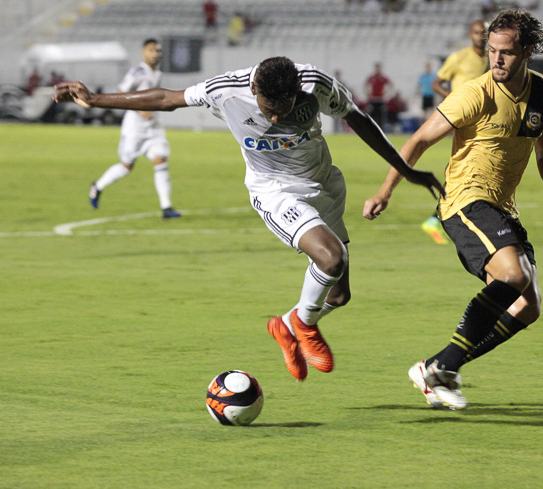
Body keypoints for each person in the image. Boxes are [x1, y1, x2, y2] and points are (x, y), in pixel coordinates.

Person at [54, 56, 444, 382]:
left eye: (282, 110)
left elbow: (358, 119)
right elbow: (167, 98)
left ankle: (288, 325)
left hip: (323, 183)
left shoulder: (316, 84)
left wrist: (403, 170)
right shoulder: (226, 89)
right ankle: (304, 325)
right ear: (254, 88)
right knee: (330, 258)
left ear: (296, 93)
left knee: (339, 295)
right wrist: (96, 98)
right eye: (267, 109)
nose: (273, 119)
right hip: (274, 189)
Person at [363, 9, 543, 409]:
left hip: (502, 206)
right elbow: (418, 140)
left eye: (506, 52)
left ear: (528, 51)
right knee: (514, 275)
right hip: (464, 199)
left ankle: (437, 366)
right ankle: (442, 368)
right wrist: (385, 191)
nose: (496, 59)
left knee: (528, 306)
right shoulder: (474, 94)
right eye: (491, 50)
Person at [85, 39, 180, 219]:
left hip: (154, 128)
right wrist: (140, 109)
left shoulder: (157, 73)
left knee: (161, 161)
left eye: (158, 51)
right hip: (134, 129)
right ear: (143, 53)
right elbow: (122, 92)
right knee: (126, 166)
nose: (155, 54)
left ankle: (166, 207)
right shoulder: (137, 72)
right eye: (151, 50)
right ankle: (97, 186)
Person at [423, 19, 489, 245]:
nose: (481, 36)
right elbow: (436, 83)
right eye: (477, 32)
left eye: (484, 32)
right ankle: (439, 218)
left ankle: (440, 217)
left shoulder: (487, 58)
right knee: (467, 168)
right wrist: (455, 99)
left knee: (471, 168)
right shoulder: (458, 57)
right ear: (470, 35)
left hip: (476, 120)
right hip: (461, 118)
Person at [364, 62, 392, 130]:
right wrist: (367, 93)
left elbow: (390, 85)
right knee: (372, 115)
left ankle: (380, 129)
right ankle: (371, 129)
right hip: (373, 99)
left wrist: (386, 93)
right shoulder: (372, 77)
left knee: (381, 116)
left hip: (381, 99)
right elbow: (365, 84)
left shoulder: (383, 77)